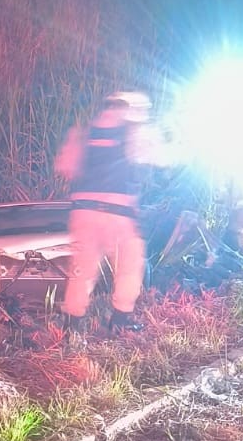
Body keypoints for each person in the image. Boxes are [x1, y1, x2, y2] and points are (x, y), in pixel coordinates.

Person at [54, 89, 169, 337]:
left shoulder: (84, 132)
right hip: (119, 214)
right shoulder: (135, 130)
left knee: (82, 271)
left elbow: (65, 167)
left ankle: (71, 328)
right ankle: (121, 320)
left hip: (83, 213)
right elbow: (160, 158)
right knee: (129, 266)